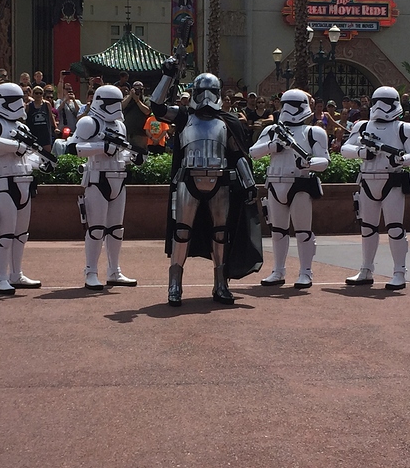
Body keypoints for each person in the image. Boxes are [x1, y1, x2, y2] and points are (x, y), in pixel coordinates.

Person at [150, 59, 263, 306]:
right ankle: (174, 285)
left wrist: (249, 183)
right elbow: (156, 107)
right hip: (188, 181)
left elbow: (237, 154)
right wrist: (167, 75)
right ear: (194, 92)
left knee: (221, 234)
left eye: (211, 91)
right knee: (181, 232)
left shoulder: (227, 121)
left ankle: (221, 284)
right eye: (202, 91)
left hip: (219, 181)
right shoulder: (183, 116)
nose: (206, 96)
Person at [341, 86, 410, 290]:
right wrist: (362, 153)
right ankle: (366, 269)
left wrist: (400, 159)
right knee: (367, 227)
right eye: (376, 101)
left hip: (392, 180)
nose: (379, 106)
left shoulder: (405, 128)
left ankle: (399, 272)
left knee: (395, 227)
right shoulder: (362, 126)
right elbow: (345, 149)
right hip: (368, 180)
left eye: (384, 102)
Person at [249, 89, 330, 288]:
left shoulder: (313, 132)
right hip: (275, 183)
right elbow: (253, 152)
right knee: (278, 231)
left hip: (300, 183)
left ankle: (305, 272)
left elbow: (324, 161)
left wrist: (307, 163)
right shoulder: (272, 131)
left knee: (303, 231)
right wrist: (273, 146)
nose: (287, 109)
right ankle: (278, 270)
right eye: (284, 104)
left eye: (292, 105)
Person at [65, 85, 141, 290]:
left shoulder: (120, 126)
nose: (115, 107)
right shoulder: (89, 122)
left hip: (118, 179)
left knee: (116, 229)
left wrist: (133, 157)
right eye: (111, 103)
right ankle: (91, 271)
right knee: (96, 228)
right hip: (97, 179)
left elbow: (121, 152)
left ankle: (114, 270)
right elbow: (72, 147)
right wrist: (102, 147)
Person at [0, 82, 46, 295]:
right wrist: (16, 146)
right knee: (4, 234)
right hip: (4, 184)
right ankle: (0, 277)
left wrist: (41, 163)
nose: (21, 104)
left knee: (21, 234)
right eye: (16, 100)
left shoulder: (22, 127)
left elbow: (28, 155)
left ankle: (16, 274)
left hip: (24, 183)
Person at [121, 80, 151, 151]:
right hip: (127, 132)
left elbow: (147, 111)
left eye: (140, 89)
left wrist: (137, 100)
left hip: (140, 134)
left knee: (139, 152)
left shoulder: (146, 99)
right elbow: (121, 107)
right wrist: (130, 96)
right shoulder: (127, 98)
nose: (138, 91)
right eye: (136, 89)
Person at [25, 85, 56, 152]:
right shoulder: (28, 106)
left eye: (40, 93)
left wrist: (55, 127)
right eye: (36, 93)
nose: (38, 95)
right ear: (33, 94)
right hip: (34, 134)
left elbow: (51, 116)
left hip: (45, 133)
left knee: (47, 153)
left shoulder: (47, 104)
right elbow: (25, 119)